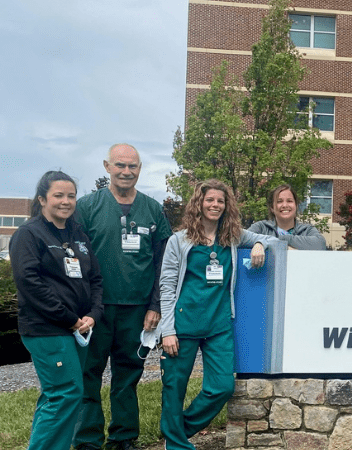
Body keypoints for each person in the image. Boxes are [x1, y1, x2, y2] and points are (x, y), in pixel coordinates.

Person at [158, 179, 278, 450]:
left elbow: (270, 239)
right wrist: (167, 330)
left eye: (220, 201)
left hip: (218, 326)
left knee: (222, 387)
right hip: (183, 325)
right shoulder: (179, 240)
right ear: (198, 203)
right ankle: (176, 444)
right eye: (209, 200)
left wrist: (260, 245)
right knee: (173, 389)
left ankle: (177, 430)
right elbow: (166, 286)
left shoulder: (232, 237)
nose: (214, 205)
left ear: (227, 206)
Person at [74, 143, 172, 450]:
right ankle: (87, 439)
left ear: (140, 169)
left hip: (137, 310)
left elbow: (163, 263)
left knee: (128, 376)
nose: (126, 172)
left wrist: (156, 305)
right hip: (95, 309)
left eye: (132, 166)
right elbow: (74, 258)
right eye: (120, 165)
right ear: (107, 167)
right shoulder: (87, 207)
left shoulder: (153, 210)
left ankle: (123, 438)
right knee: (88, 374)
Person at [11, 171, 104, 450]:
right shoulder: (29, 235)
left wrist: (93, 314)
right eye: (58, 195)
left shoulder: (78, 235)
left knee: (57, 395)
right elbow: (30, 283)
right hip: (47, 329)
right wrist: (70, 319)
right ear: (42, 199)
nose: (66, 201)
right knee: (65, 394)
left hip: (79, 328)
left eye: (71, 196)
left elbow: (95, 279)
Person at [247, 184, 327, 250]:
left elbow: (321, 244)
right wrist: (259, 243)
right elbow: (242, 240)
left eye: (289, 201)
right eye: (279, 201)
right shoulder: (261, 227)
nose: (285, 205)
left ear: (296, 205)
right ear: (272, 208)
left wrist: (284, 239)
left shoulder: (307, 230)